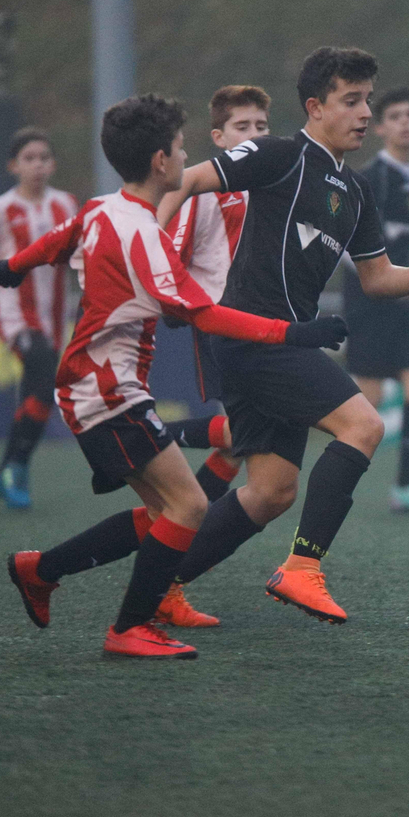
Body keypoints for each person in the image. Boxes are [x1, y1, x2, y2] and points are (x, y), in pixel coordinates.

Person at [0, 94, 348, 659]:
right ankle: (128, 627)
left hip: (101, 385)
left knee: (168, 513)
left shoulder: (101, 208)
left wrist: (11, 267)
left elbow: (58, 241)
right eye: (182, 148)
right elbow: (203, 314)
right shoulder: (145, 234)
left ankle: (41, 570)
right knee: (188, 509)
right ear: (162, 162)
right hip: (106, 390)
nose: (187, 157)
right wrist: (292, 334)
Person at [154, 47, 409, 625]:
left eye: (368, 100)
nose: (366, 113)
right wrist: (149, 238)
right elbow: (188, 177)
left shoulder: (356, 191)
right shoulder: (280, 155)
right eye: (352, 101)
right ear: (315, 106)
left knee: (271, 491)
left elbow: (376, 279)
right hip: (255, 337)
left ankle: (160, 585)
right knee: (364, 424)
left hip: (284, 343)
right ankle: (303, 570)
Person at [155, 85, 273, 510]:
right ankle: (147, 436)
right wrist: (181, 306)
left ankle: (182, 527)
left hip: (262, 322)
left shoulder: (270, 186)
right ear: (219, 138)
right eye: (242, 127)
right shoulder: (204, 189)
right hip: (221, 323)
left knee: (241, 441)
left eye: (261, 126)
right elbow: (171, 251)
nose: (255, 135)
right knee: (251, 431)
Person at [343, 87, 409, 513]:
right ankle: (334, 483)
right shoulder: (369, 179)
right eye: (395, 116)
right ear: (381, 128)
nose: (404, 122)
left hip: (403, 298)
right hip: (368, 301)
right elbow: (348, 249)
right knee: (366, 405)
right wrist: (381, 278)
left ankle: (407, 488)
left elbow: (404, 246)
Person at [0, 127, 78, 509]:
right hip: (13, 310)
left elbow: (82, 249)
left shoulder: (66, 204)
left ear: (53, 164)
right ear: (14, 166)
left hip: (54, 313)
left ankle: (7, 471)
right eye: (29, 158)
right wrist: (1, 271)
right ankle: (15, 468)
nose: (38, 165)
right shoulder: (0, 209)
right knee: (43, 379)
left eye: (44, 158)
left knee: (39, 391)